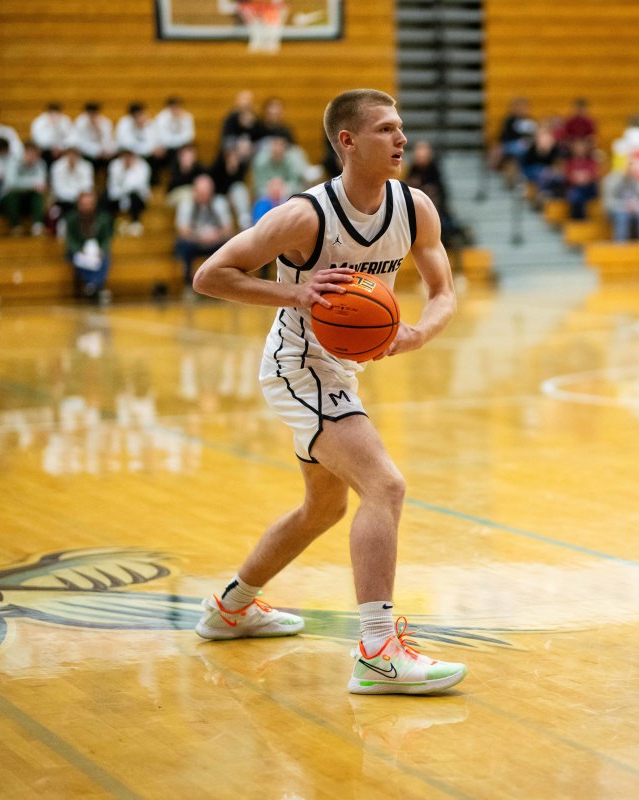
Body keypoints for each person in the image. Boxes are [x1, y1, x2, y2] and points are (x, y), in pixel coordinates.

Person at [191, 88, 465, 695]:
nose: (400, 139)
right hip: (297, 363)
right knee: (384, 485)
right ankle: (377, 652)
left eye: (402, 127)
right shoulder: (304, 217)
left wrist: (418, 334)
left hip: (340, 369)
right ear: (347, 141)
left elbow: (444, 290)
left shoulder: (414, 207)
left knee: (325, 508)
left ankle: (231, 609)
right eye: (385, 129)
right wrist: (297, 292)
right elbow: (210, 275)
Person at [174, 174, 233, 285]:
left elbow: (228, 228)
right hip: (194, 242)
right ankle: (188, 284)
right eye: (201, 193)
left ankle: (223, 283)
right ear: (195, 191)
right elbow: (182, 230)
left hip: (215, 242)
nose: (204, 197)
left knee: (230, 244)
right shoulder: (186, 204)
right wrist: (199, 236)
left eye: (207, 193)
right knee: (182, 245)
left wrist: (216, 235)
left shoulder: (219, 203)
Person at [63, 190, 114, 304]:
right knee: (80, 259)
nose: (87, 207)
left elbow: (106, 240)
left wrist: (100, 251)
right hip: (78, 252)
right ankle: (95, 287)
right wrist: (81, 250)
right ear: (79, 204)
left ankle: (93, 287)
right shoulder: (72, 219)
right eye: (84, 204)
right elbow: (69, 242)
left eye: (89, 204)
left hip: (96, 253)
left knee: (105, 257)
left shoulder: (103, 218)